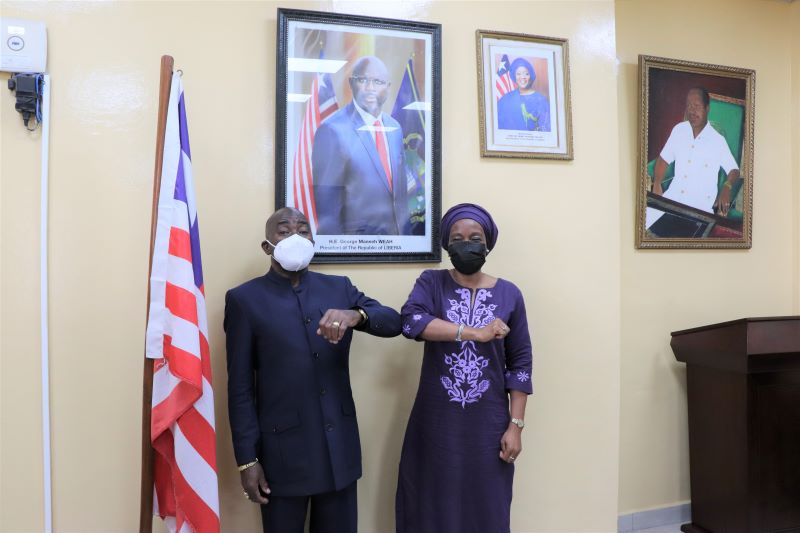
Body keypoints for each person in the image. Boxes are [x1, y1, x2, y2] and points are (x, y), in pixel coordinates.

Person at [224, 207, 401, 533]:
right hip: (282, 457)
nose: (295, 235)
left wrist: (356, 316)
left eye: (303, 230)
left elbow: (393, 322)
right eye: (284, 230)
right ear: (267, 246)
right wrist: (247, 460)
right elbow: (240, 388)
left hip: (340, 454)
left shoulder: (339, 288)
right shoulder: (244, 300)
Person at [395, 203, 533, 533]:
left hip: (488, 424)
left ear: (487, 244)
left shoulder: (509, 294)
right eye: (457, 238)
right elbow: (412, 322)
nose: (466, 243)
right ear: (446, 244)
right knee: (430, 501)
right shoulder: (432, 282)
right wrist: (474, 332)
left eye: (474, 237)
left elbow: (521, 363)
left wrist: (515, 426)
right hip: (436, 420)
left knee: (485, 504)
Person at [312, 56, 410, 235]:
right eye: (363, 80)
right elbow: (327, 209)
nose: (370, 88)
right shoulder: (332, 130)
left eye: (378, 81)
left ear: (388, 88)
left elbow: (400, 196)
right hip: (355, 247)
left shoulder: (394, 128)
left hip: (397, 245)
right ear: (351, 83)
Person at [646, 87, 740, 232]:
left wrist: (726, 187)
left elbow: (734, 170)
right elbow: (663, 159)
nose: (692, 110)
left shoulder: (717, 141)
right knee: (643, 229)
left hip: (698, 211)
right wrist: (658, 183)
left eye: (696, 106)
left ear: (707, 108)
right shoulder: (679, 130)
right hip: (671, 201)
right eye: (689, 105)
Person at [497, 57, 550, 132]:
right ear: (514, 77)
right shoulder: (505, 99)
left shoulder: (541, 100)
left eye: (526, 74)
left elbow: (546, 130)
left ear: (530, 76)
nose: (522, 77)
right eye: (518, 74)